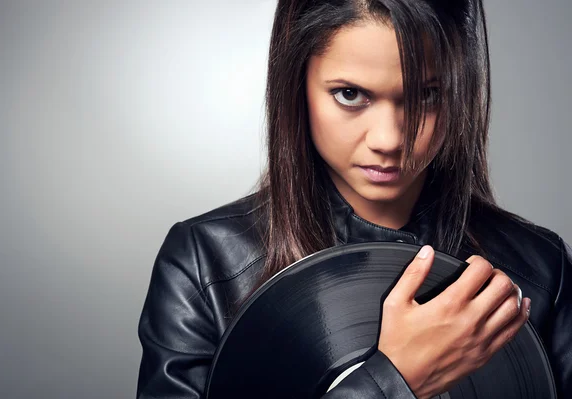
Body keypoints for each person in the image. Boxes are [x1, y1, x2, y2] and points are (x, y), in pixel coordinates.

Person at [136, 0, 572, 398]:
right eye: (350, 94)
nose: (389, 140)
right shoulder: (203, 262)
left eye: (427, 96)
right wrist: (394, 381)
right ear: (297, 85)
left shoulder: (539, 267)